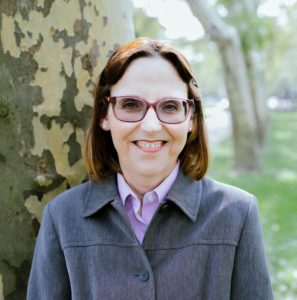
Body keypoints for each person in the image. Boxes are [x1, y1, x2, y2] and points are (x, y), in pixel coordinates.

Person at [27, 38, 273, 299]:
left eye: (170, 106)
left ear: (191, 119)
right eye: (131, 105)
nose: (152, 126)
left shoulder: (237, 214)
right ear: (104, 115)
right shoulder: (62, 217)